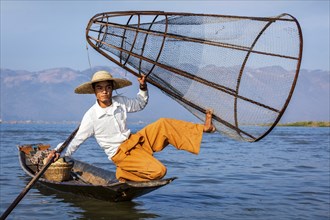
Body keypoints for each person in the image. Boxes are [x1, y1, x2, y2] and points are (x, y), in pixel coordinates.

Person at [52, 70, 215, 182]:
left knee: (163, 123)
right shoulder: (91, 116)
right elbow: (76, 140)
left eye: (108, 88)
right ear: (94, 92)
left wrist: (143, 87)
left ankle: (203, 128)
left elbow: (140, 104)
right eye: (100, 88)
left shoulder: (119, 102)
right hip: (122, 154)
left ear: (111, 89)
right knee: (160, 171)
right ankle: (123, 173)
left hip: (135, 141)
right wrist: (58, 152)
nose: (104, 92)